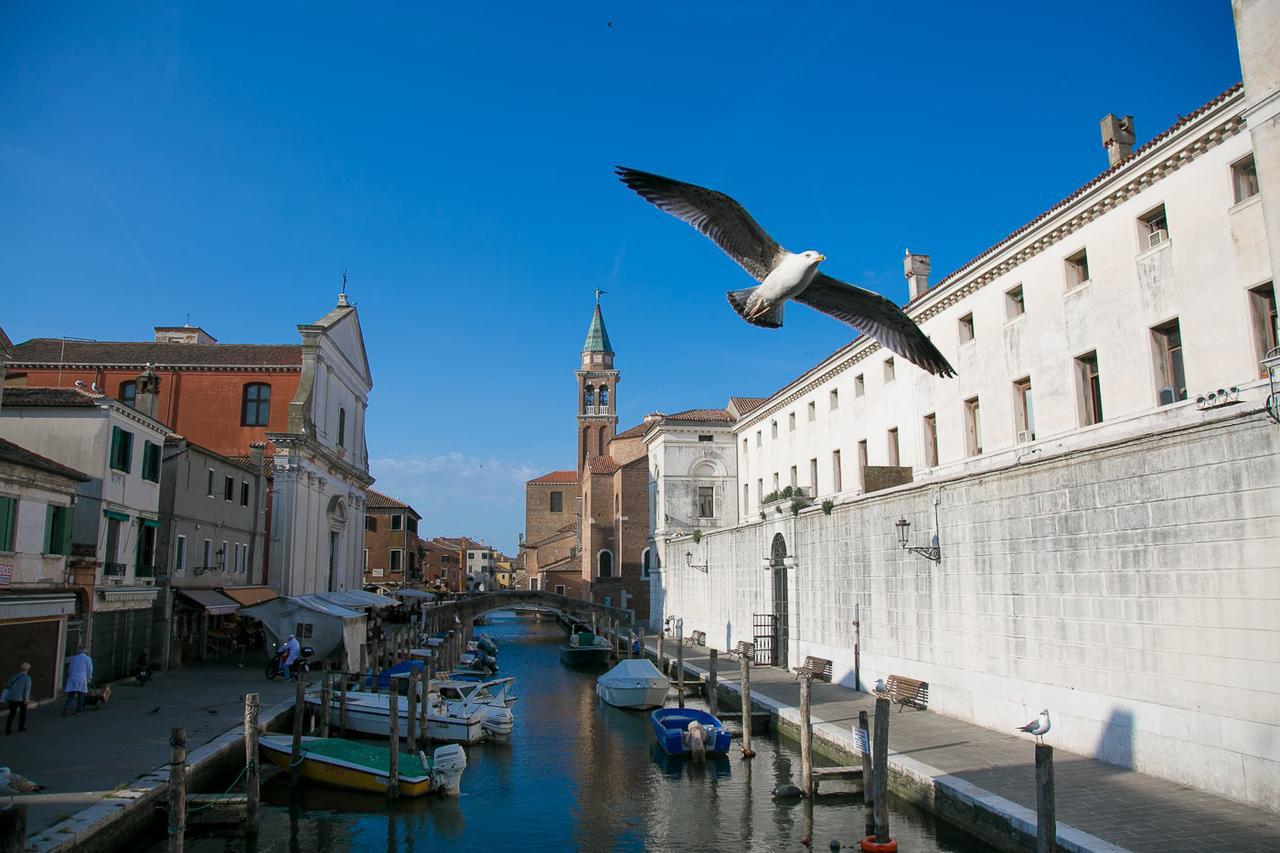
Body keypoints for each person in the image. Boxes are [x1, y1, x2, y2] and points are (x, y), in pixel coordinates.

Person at [63, 647, 93, 716]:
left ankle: (67, 706)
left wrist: (70, 675)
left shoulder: (74, 658)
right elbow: (90, 669)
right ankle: (78, 710)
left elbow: (69, 669)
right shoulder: (88, 659)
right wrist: (89, 677)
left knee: (71, 694)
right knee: (81, 694)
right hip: (82, 678)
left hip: (73, 677)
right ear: (85, 652)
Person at [5, 662, 32, 734]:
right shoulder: (27, 678)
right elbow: (27, 690)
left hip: (12, 697)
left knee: (11, 713)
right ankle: (21, 727)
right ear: (28, 670)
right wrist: (27, 699)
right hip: (21, 698)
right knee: (23, 713)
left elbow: (8, 685)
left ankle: (8, 729)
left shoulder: (14, 676)